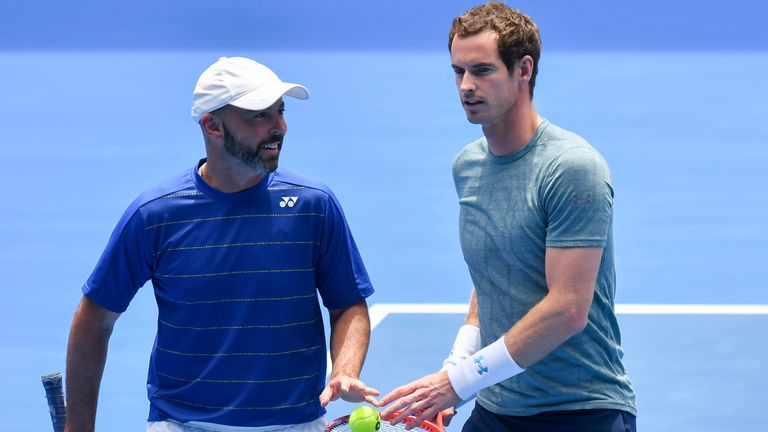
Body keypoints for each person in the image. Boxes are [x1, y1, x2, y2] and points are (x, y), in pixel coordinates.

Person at [64, 56, 379, 432]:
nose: (279, 127)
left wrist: (344, 369)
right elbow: (95, 318)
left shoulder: (313, 206)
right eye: (259, 116)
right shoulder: (155, 215)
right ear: (213, 126)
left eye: (280, 112)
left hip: (296, 424)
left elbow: (348, 304)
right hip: (183, 424)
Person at [375, 3, 636, 431]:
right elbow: (492, 280)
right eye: (458, 72)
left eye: (482, 70)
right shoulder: (468, 166)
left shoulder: (571, 167)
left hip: (581, 411)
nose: (466, 86)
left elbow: (568, 309)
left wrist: (456, 382)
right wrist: (457, 368)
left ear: (523, 69)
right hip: (496, 409)